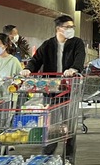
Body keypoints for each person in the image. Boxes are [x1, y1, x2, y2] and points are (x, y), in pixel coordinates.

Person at [21, 15, 85, 157]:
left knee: (70, 127)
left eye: (72, 27)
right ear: (58, 29)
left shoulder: (77, 43)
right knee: (51, 128)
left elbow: (79, 59)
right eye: (67, 27)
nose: (71, 30)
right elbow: (36, 60)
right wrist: (28, 70)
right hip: (51, 92)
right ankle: (47, 156)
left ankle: (68, 157)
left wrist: (73, 69)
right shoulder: (48, 44)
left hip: (69, 91)